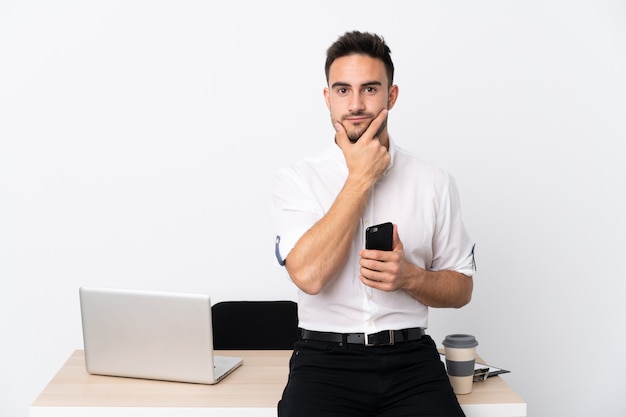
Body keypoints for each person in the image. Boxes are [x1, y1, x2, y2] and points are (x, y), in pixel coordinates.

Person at [271, 30, 476, 417]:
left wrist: (411, 278)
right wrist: (360, 178)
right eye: (343, 90)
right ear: (328, 98)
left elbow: (462, 287)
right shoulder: (297, 179)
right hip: (324, 362)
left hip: (411, 361)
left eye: (369, 89)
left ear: (391, 96)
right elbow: (309, 276)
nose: (356, 104)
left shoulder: (434, 181)